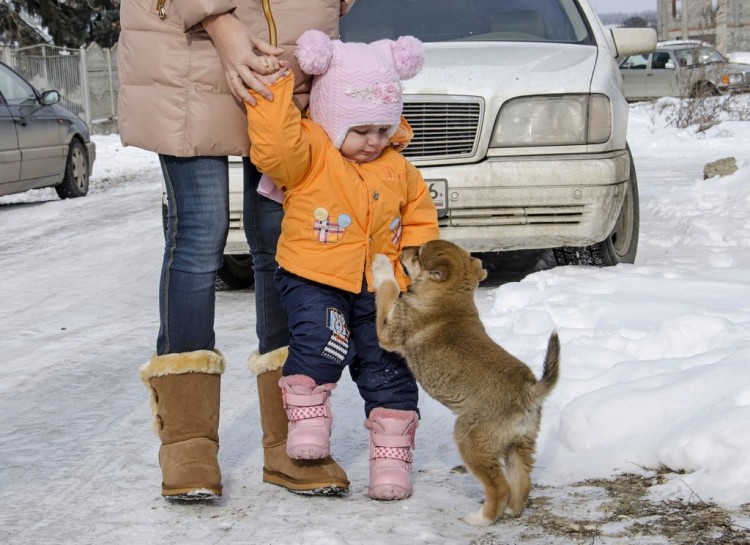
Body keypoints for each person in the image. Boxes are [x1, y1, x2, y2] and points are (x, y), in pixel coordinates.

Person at [117, 0, 356, 500]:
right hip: (187, 45)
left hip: (283, 46)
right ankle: (188, 441)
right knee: (200, 235)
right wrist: (218, 19)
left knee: (283, 241)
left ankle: (291, 433)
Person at [245, 30, 440, 500]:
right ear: (332, 120)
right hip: (314, 276)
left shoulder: (400, 169)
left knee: (389, 362)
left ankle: (391, 458)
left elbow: (419, 218)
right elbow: (273, 149)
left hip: (381, 287)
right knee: (321, 339)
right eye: (360, 130)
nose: (374, 142)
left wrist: (413, 273)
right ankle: (309, 422)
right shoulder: (311, 155)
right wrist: (274, 93)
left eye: (382, 129)